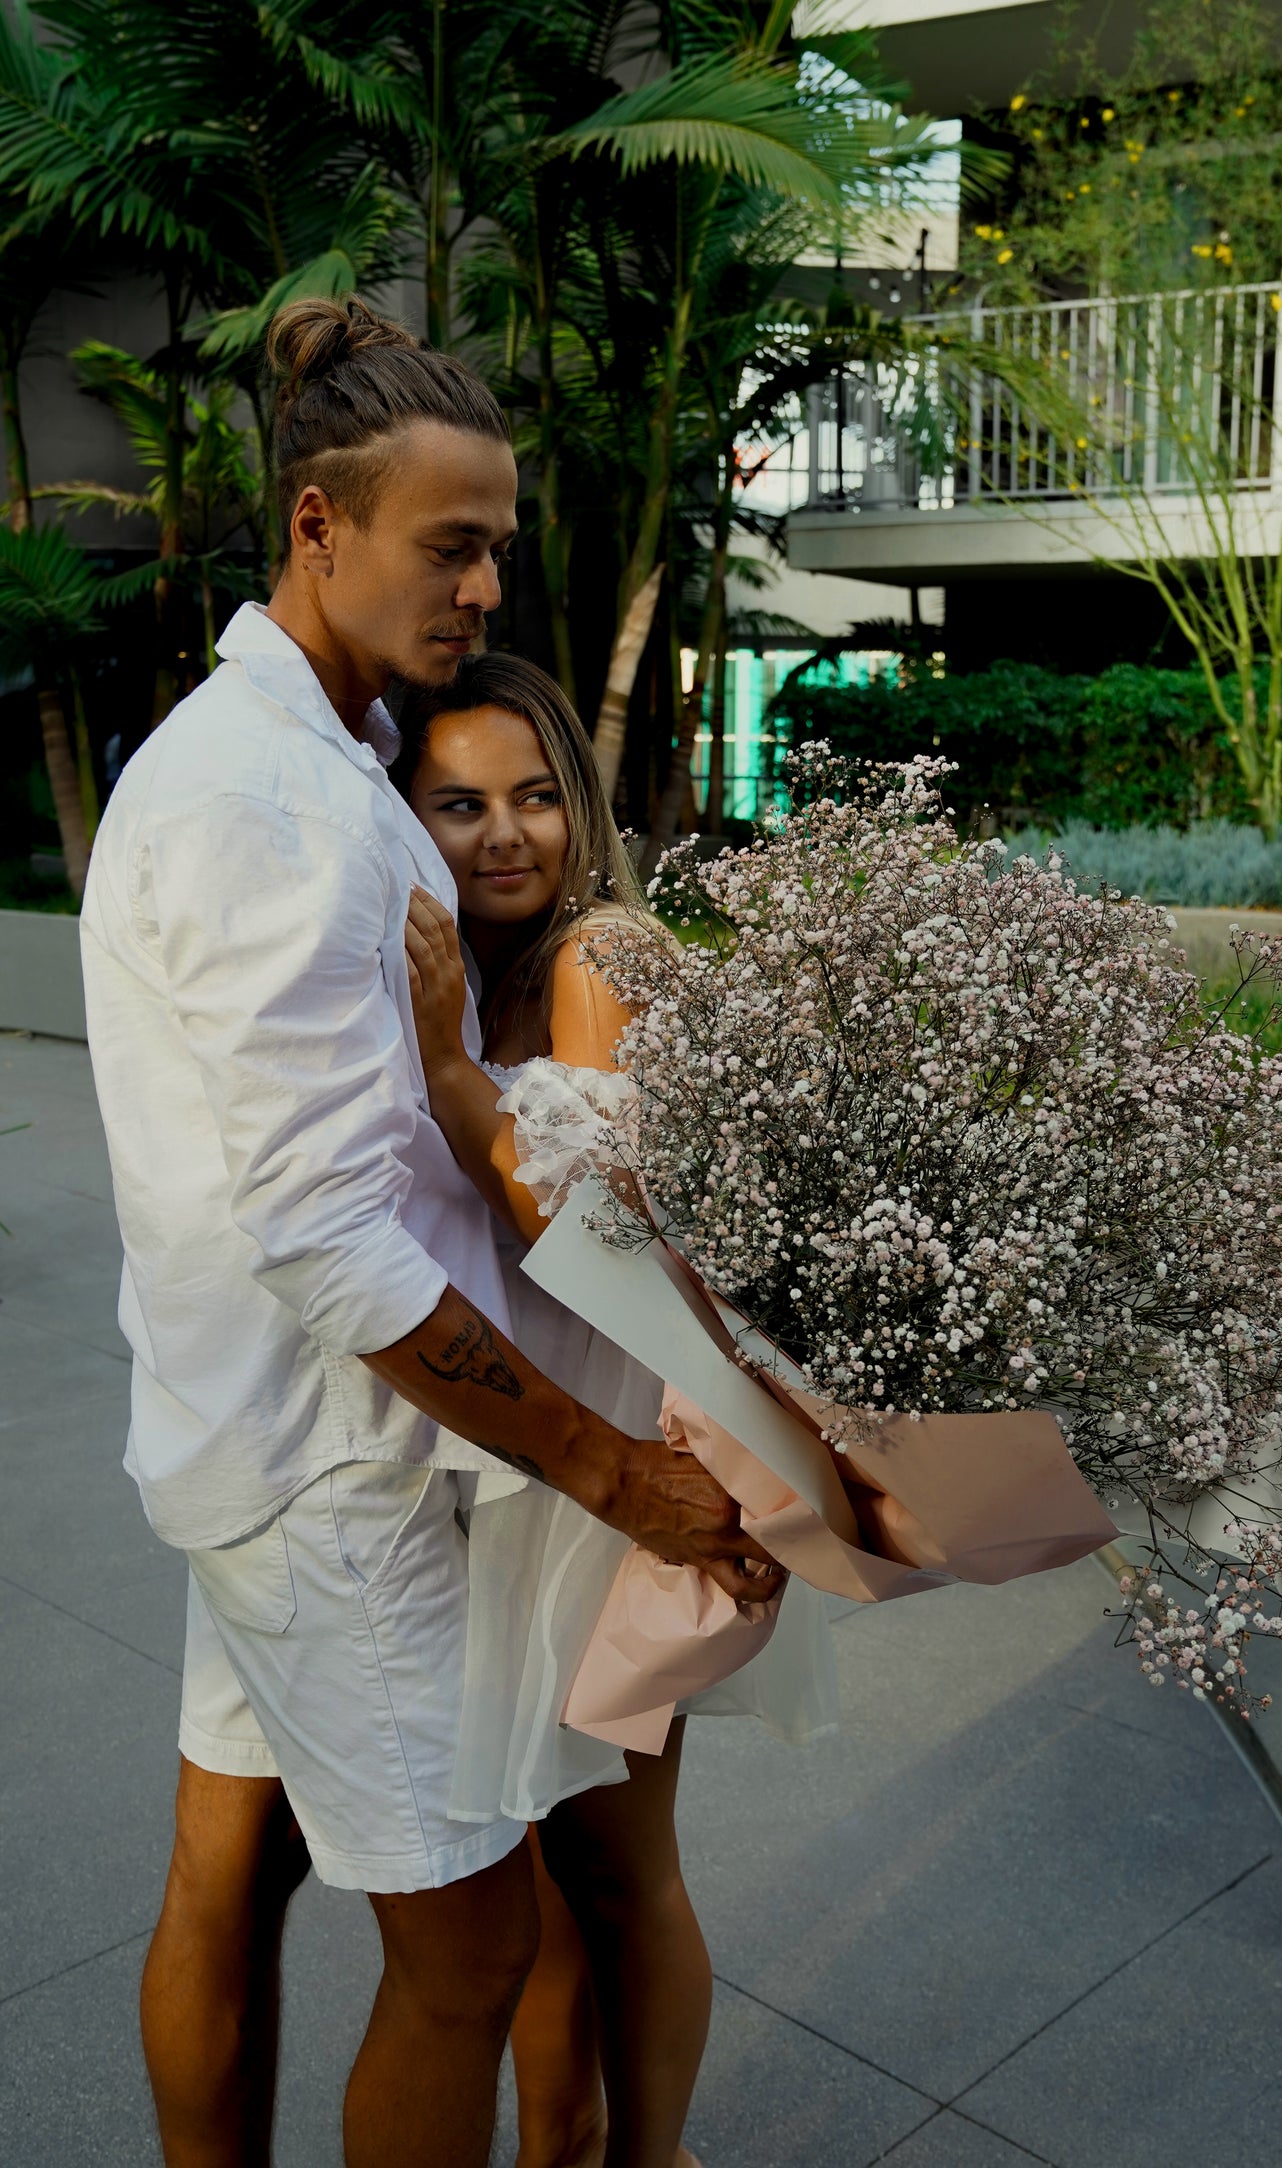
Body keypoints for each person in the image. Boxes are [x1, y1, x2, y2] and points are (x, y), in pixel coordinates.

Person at [79, 296, 782, 2168]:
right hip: (337, 1473)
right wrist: (614, 1474)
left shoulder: (326, 752)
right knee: (466, 1952)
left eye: (497, 548)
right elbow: (330, 1236)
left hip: (272, 1440)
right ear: (318, 527)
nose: (482, 587)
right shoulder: (267, 799)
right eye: (449, 544)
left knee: (226, 1873)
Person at [396, 652, 838, 2168]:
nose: (502, 834)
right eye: (458, 804)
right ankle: (561, 2146)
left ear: (580, 810)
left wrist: (448, 1070)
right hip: (532, 1449)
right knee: (543, 1860)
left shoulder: (600, 955)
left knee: (617, 1865)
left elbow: (590, 1237)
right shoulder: (482, 963)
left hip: (619, 1452)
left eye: (534, 797)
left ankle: (649, 2156)